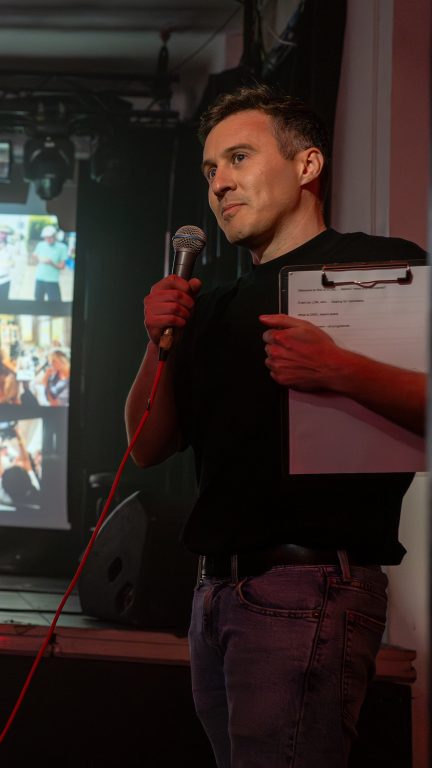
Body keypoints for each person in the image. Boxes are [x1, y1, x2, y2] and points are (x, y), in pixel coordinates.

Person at [124, 84, 426, 767]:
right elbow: (145, 446)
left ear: (307, 166)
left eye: (237, 158)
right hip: (214, 593)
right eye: (209, 170)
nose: (219, 183)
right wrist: (157, 338)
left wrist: (341, 369)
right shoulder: (213, 300)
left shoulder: (377, 267)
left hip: (309, 584)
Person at [32, 225, 68, 301]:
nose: (48, 239)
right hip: (39, 278)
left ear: (55, 236)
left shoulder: (62, 247)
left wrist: (51, 263)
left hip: (52, 280)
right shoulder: (40, 245)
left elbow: (62, 266)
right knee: (38, 303)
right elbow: (34, 256)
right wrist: (39, 259)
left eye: (50, 237)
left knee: (56, 305)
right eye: (46, 237)